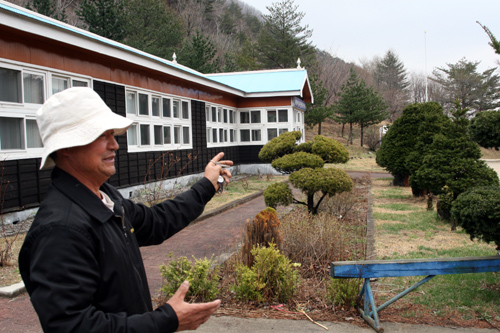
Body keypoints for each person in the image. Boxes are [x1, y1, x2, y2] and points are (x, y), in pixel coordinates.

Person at [19, 87, 233, 332]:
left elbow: (157, 221)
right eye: (102, 135)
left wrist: (206, 185)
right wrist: (166, 320)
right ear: (67, 146)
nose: (115, 145)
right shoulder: (61, 230)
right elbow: (73, 326)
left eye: (113, 134)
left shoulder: (104, 198)